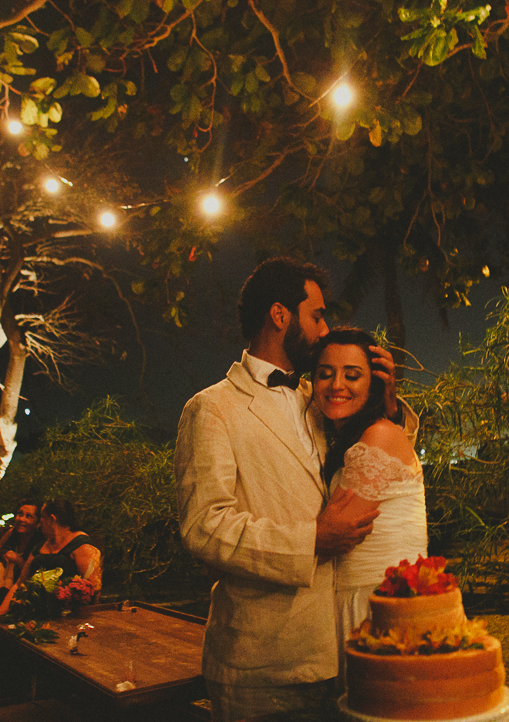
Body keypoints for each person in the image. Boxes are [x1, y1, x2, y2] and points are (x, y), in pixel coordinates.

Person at [175, 257, 416, 721]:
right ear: (280, 315)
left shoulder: (321, 398)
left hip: (344, 650)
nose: (326, 331)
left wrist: (383, 408)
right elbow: (204, 527)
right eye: (318, 315)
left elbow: (372, 469)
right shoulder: (212, 409)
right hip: (262, 665)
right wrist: (311, 540)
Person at [311, 327, 427, 683]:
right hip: (354, 598)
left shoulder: (379, 435)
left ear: (375, 382)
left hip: (376, 604)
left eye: (352, 374)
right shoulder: (354, 436)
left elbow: (340, 530)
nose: (336, 385)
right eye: (325, 373)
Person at [0, 499, 102, 616]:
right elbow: (19, 583)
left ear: (52, 519)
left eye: (42, 519)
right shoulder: (41, 546)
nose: (40, 524)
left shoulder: (81, 546)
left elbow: (93, 590)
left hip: (66, 616)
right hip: (32, 612)